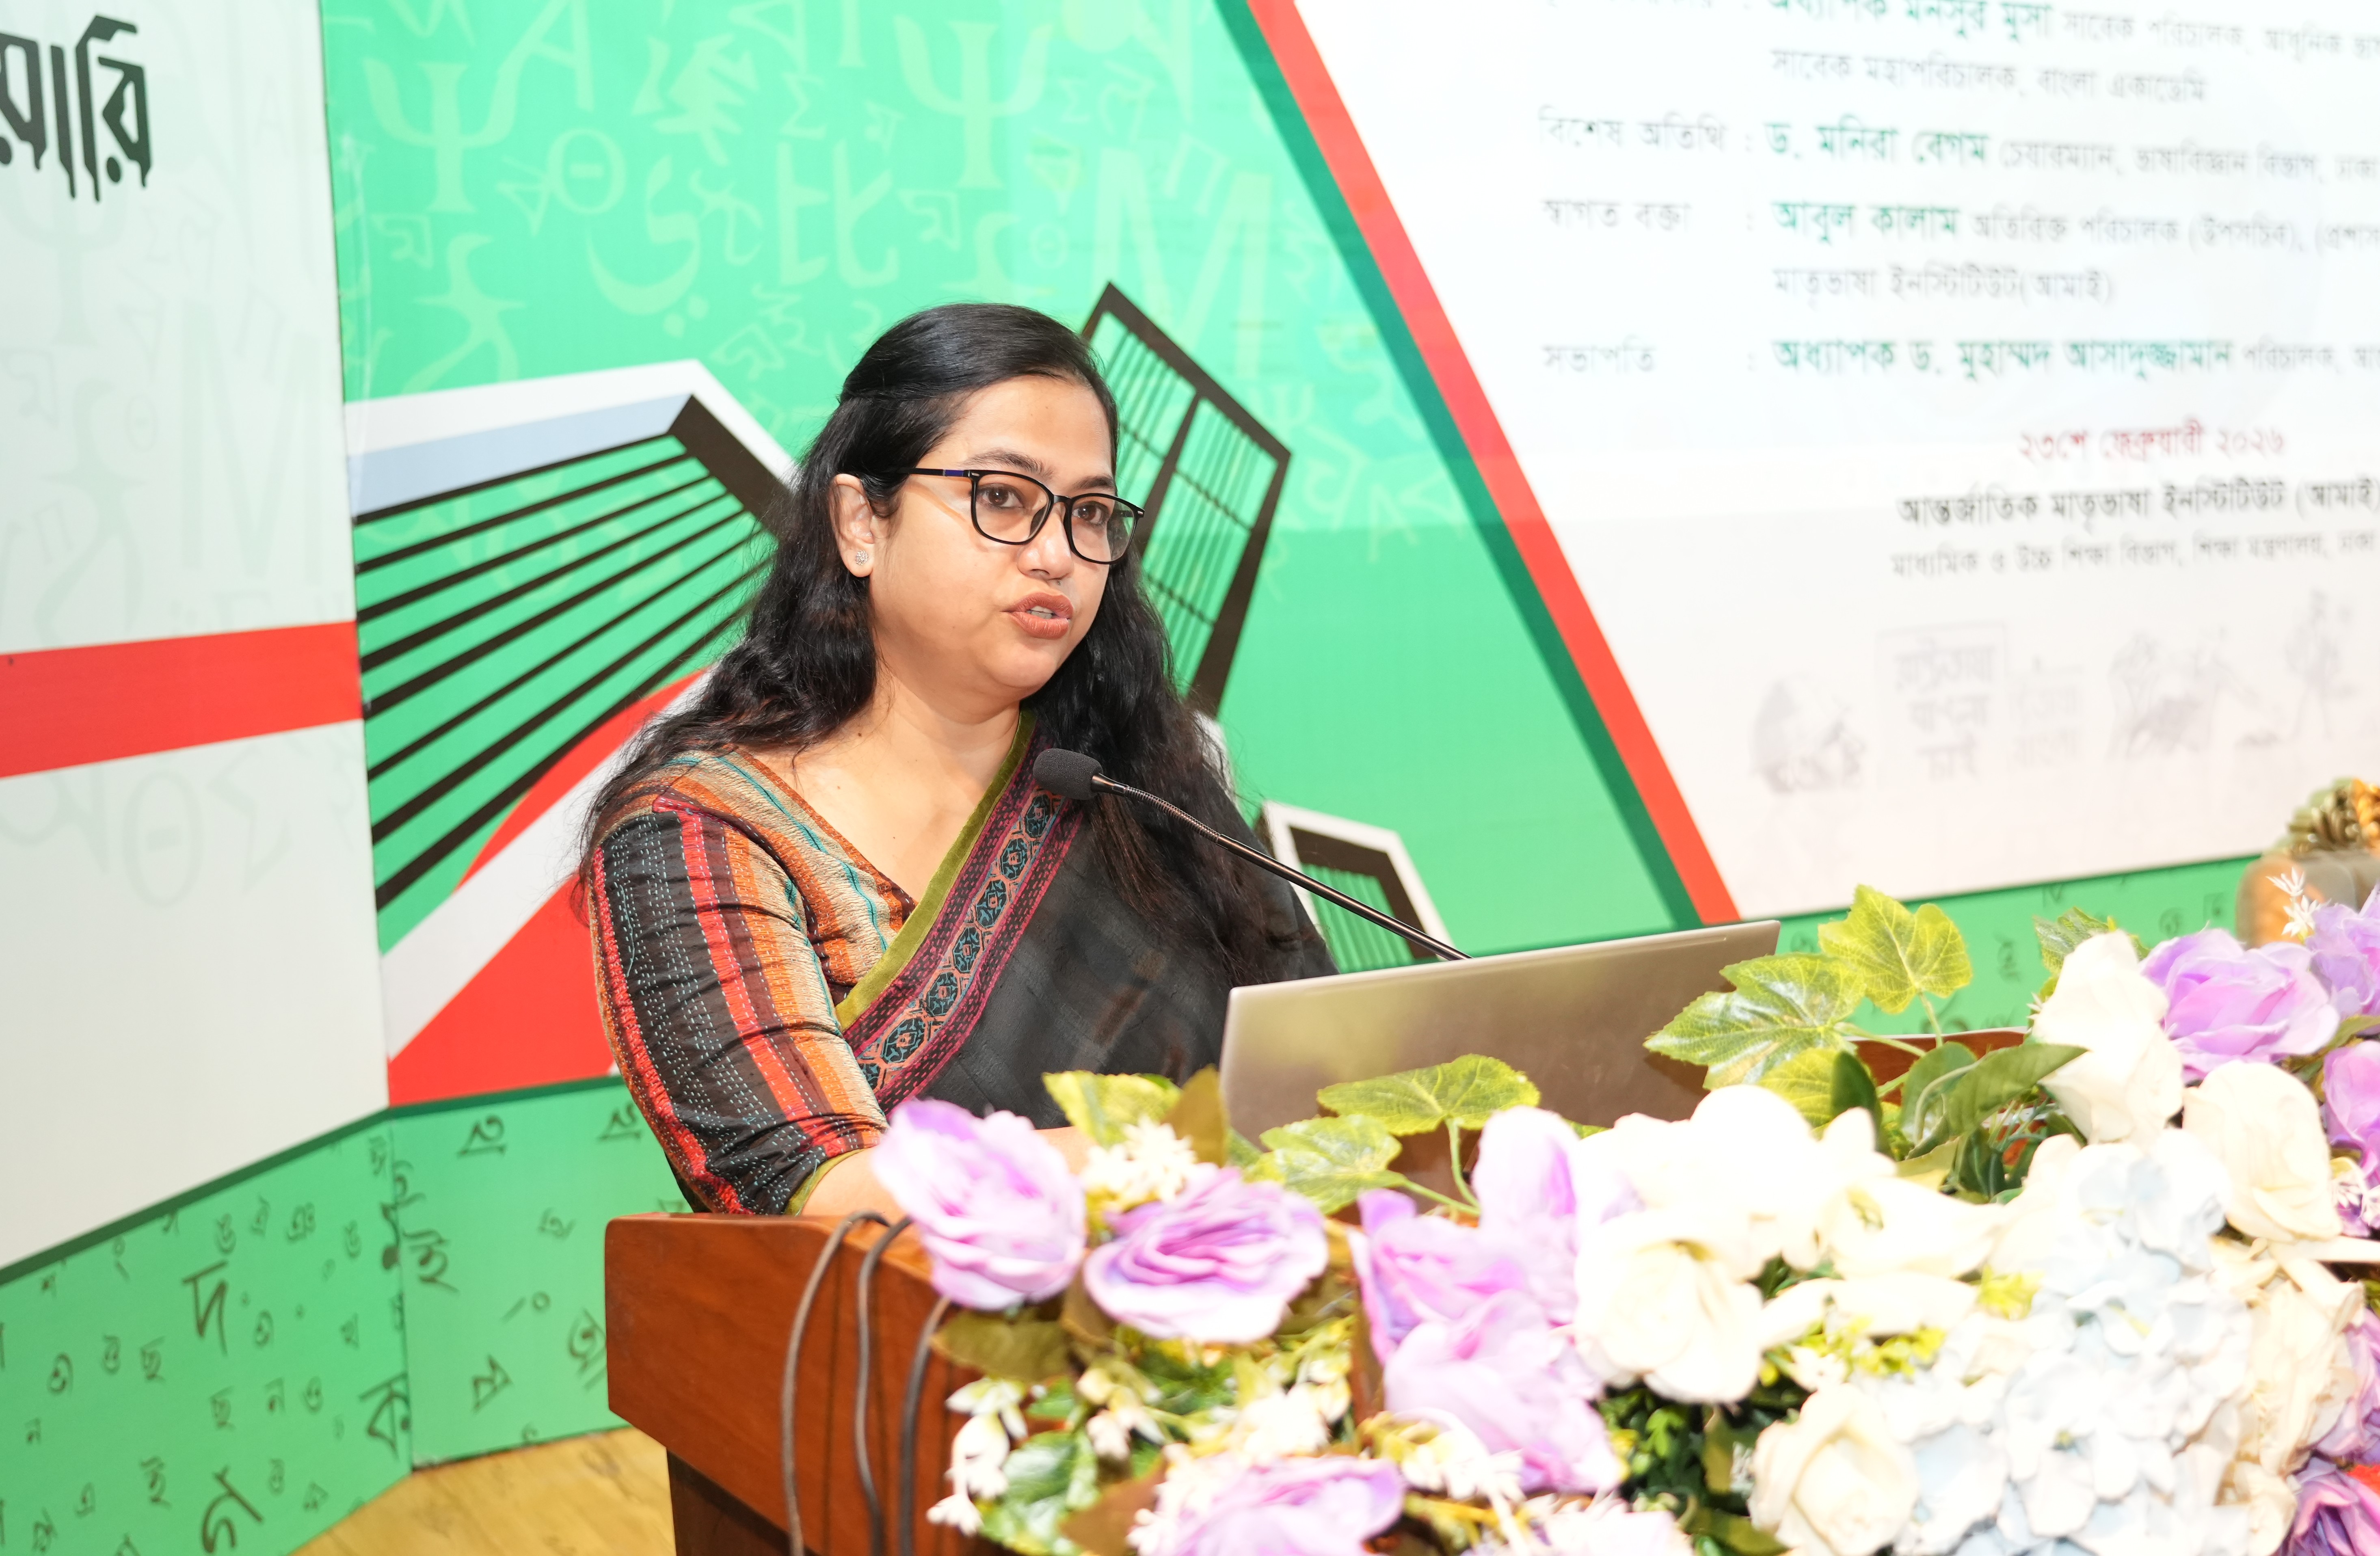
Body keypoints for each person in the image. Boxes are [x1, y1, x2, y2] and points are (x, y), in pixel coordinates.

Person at [581, 303, 1334, 1219]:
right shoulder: (699, 832)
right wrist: (1201, 1147)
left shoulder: (1139, 790)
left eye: (1090, 512)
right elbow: (815, 1193)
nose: (1056, 555)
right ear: (861, 522)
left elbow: (1335, 1078)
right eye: (1004, 498)